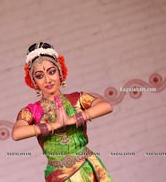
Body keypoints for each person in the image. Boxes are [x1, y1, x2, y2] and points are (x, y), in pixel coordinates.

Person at [12, 42, 114, 182]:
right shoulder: (31, 111)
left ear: (61, 73)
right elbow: (17, 133)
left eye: (52, 72)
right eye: (40, 76)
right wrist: (53, 125)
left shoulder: (77, 98)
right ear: (34, 82)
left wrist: (73, 119)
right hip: (60, 175)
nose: (48, 80)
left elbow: (106, 106)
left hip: (88, 167)